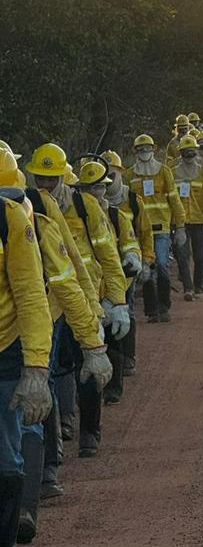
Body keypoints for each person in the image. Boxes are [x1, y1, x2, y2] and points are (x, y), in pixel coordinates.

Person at [26, 144, 129, 458]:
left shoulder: (84, 205)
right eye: (40, 180)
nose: (46, 186)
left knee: (88, 368)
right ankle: (60, 433)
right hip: (50, 306)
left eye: (51, 180)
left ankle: (89, 433)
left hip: (85, 299)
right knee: (57, 371)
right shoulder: (30, 208)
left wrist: (117, 301)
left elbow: (106, 256)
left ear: (63, 177)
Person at [0, 191, 54, 547]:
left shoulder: (11, 218)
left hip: (4, 353)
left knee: (5, 460)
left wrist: (36, 367)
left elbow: (32, 293)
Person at [102, 150, 154, 400]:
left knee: (126, 314)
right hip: (101, 276)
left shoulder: (133, 201)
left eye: (111, 175)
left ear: (121, 173)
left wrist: (146, 261)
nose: (108, 182)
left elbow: (144, 233)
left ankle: (127, 360)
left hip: (127, 271)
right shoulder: (88, 207)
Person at [127, 134, 186, 324]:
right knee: (146, 270)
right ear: (135, 151)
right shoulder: (130, 176)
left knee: (162, 265)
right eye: (141, 149)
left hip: (161, 229)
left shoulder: (163, 172)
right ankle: (151, 310)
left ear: (153, 149)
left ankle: (164, 307)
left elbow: (174, 200)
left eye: (147, 148)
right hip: (140, 232)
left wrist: (181, 227)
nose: (144, 152)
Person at [173, 135, 203, 301]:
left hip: (200, 219)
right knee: (182, 255)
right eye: (186, 151)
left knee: (200, 256)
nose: (189, 153)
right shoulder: (172, 173)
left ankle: (199, 286)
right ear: (180, 152)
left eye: (192, 150)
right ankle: (188, 288)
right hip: (180, 221)